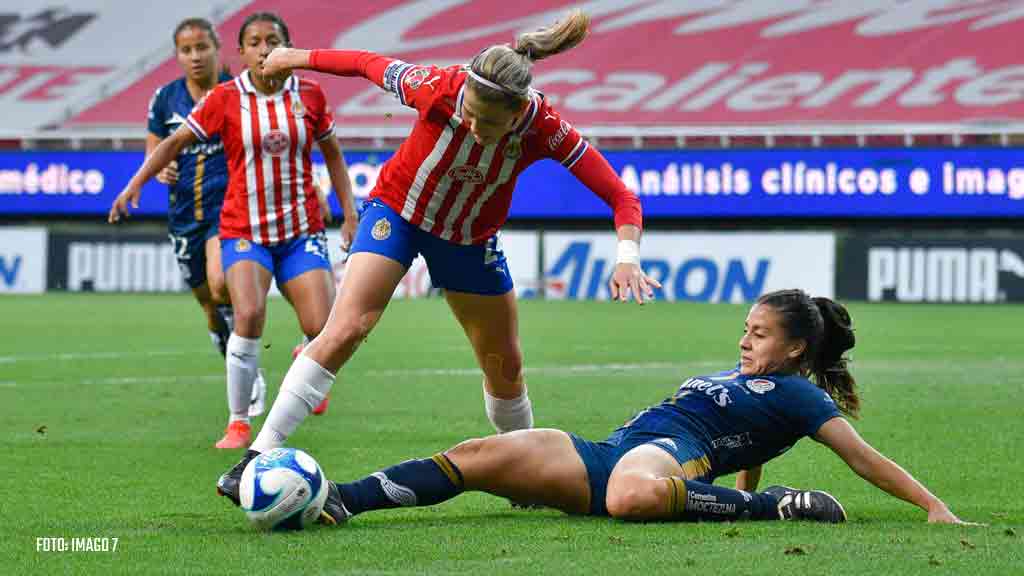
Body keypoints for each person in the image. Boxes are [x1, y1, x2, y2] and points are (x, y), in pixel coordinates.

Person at [215, 9, 663, 502]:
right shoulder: (437, 86)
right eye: (468, 113)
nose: (472, 126)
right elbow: (365, 62)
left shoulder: (546, 129)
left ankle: (525, 475)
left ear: (517, 114)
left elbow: (622, 197)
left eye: (488, 122)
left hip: (469, 239)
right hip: (398, 215)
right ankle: (256, 456)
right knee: (347, 327)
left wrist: (627, 256)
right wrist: (294, 57)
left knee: (504, 364)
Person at [303, 289, 969, 526]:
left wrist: (933, 506)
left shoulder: (799, 394)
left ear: (797, 349)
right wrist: (750, 479)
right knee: (479, 455)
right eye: (745, 327)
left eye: (759, 334)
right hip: (604, 450)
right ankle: (340, 499)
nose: (743, 340)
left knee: (631, 497)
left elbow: (861, 457)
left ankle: (787, 508)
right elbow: (756, 444)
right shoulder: (756, 385)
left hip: (667, 460)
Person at [110, 12, 358, 449]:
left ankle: (306, 358)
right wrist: (135, 183)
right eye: (255, 42)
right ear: (240, 52)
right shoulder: (226, 98)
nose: (264, 49)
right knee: (248, 315)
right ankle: (239, 422)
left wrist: (349, 213)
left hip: (301, 229)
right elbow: (172, 144)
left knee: (322, 328)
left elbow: (334, 155)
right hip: (244, 229)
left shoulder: (312, 95)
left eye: (273, 40)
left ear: (288, 47)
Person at [107, 17, 267, 418]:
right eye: (186, 50)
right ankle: (222, 334)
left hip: (227, 208)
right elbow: (155, 149)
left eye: (202, 47)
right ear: (177, 55)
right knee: (207, 302)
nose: (195, 56)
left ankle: (248, 367)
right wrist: (157, 170)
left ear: (217, 48)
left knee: (219, 283)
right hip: (183, 214)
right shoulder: (165, 99)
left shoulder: (238, 90)